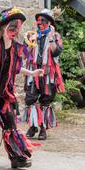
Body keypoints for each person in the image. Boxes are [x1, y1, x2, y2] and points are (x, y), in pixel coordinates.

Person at [0, 8, 44, 169]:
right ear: (3, 27)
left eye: (18, 29)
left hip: (5, 95)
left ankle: (17, 157)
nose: (16, 32)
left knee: (11, 124)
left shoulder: (16, 48)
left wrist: (32, 72)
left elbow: (14, 69)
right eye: (12, 28)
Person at [23, 9, 65, 140]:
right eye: (39, 20)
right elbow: (25, 54)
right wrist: (32, 42)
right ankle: (32, 125)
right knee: (30, 99)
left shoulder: (56, 36)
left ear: (50, 23)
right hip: (33, 72)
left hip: (48, 74)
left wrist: (51, 37)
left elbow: (56, 52)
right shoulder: (32, 35)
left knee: (46, 100)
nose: (40, 23)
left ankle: (42, 128)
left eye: (43, 20)